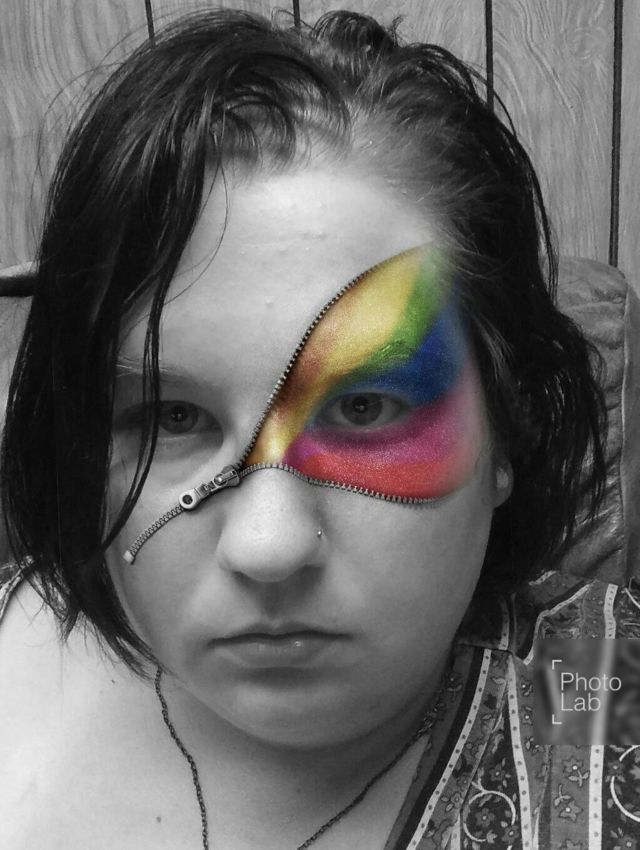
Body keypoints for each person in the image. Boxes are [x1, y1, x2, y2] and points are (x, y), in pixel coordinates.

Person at [0, 9, 638, 849]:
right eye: (172, 417)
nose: (267, 548)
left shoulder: (601, 697)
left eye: (364, 407)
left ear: (506, 426)